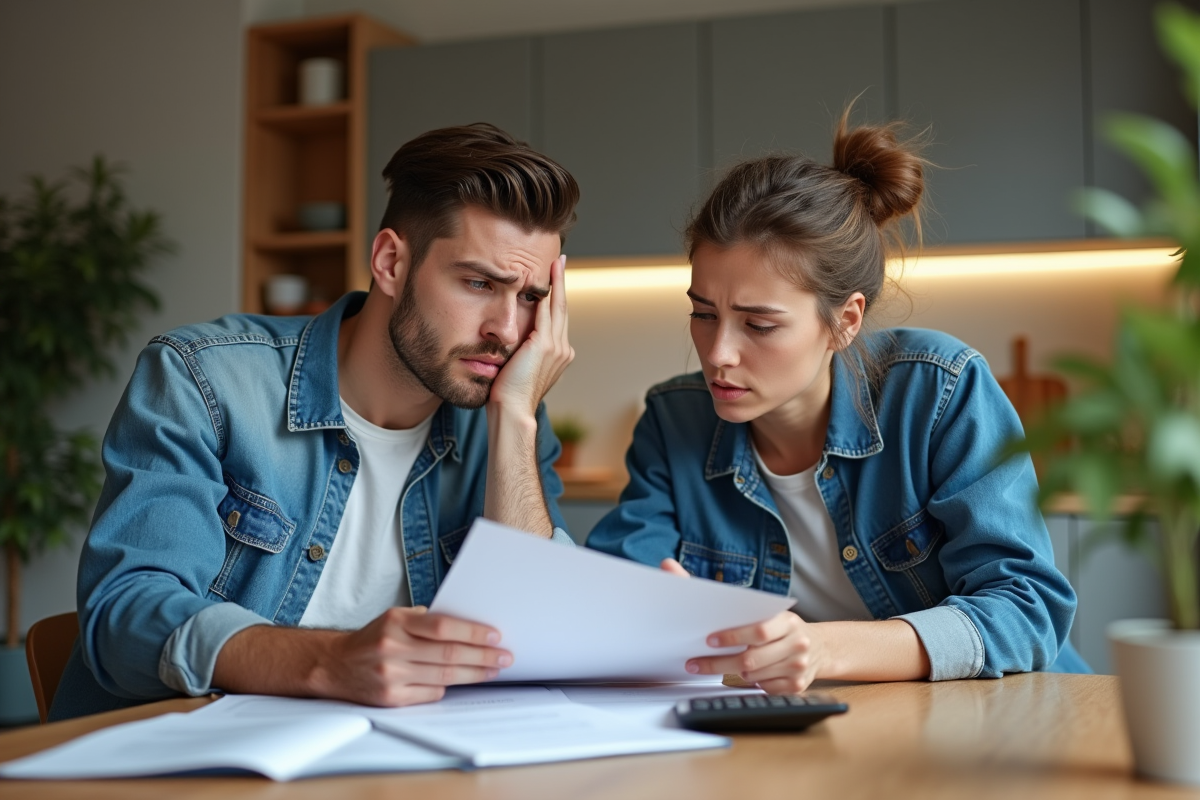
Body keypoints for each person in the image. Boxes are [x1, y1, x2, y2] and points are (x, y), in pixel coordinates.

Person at [52, 123, 581, 720]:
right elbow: (124, 616)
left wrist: (514, 418)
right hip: (179, 759)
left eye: (533, 298)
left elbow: (534, 639)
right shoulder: (204, 381)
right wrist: (328, 661)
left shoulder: (509, 416)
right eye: (480, 283)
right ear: (389, 262)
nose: (508, 331)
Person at [586, 112, 1089, 693]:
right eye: (703, 314)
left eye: (759, 324)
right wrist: (644, 611)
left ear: (844, 321)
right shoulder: (673, 420)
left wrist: (822, 647)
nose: (718, 353)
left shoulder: (939, 392)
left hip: (1007, 719)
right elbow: (613, 599)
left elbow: (1027, 610)